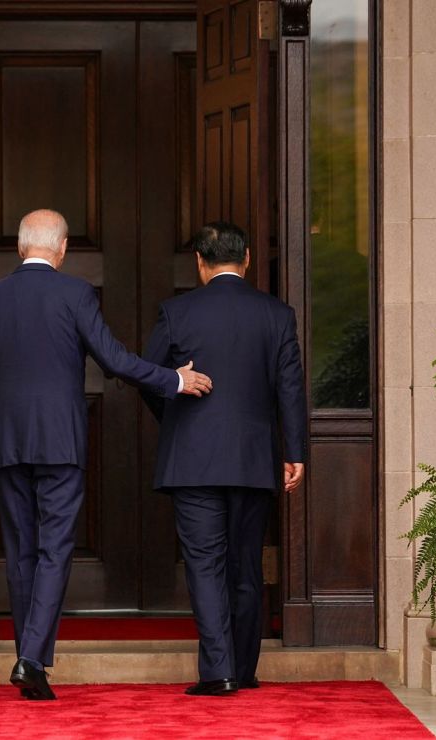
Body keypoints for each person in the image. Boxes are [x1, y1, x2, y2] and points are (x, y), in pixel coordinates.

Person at [0, 209, 213, 700]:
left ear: (20, 246)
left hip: (6, 445)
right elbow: (114, 359)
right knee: (55, 548)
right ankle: (31, 658)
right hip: (59, 443)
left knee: (20, 550)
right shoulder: (74, 293)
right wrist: (174, 379)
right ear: (61, 248)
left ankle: (27, 657)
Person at [141, 221, 308, 696]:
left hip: (192, 460)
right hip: (255, 460)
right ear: (248, 258)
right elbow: (289, 390)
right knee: (246, 564)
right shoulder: (277, 314)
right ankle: (246, 667)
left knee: (205, 563)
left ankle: (219, 672)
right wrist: (293, 451)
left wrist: (176, 415)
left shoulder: (177, 311)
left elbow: (148, 376)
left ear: (199, 261)